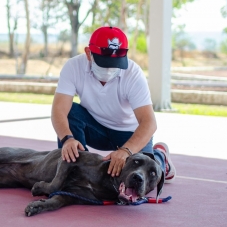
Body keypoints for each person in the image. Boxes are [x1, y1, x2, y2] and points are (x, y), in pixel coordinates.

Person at [51, 26, 175, 183]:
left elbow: (149, 122)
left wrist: (126, 150)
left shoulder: (133, 74)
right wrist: (67, 139)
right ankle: (78, 169)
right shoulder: (73, 67)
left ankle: (160, 157)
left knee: (141, 176)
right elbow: (59, 110)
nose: (109, 69)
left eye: (115, 63)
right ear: (89, 53)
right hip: (94, 128)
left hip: (128, 133)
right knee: (71, 111)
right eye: (105, 62)